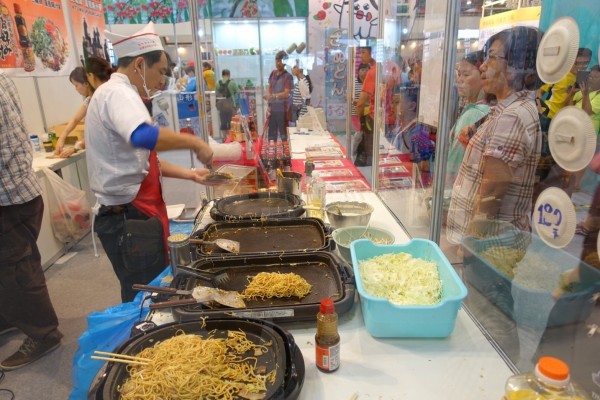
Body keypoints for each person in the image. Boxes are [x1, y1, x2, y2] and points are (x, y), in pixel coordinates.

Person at [96, 23, 214, 302]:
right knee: (148, 295)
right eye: (160, 71)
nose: (163, 81)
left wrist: (190, 174)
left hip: (138, 212)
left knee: (153, 287)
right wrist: (195, 143)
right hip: (129, 218)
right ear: (139, 64)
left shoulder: (125, 95)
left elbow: (146, 161)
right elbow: (144, 136)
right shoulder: (118, 94)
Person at [447, 26, 543, 245]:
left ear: (517, 67)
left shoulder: (513, 116)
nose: (483, 66)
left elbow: (493, 188)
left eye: (491, 58)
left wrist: (474, 240)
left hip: (491, 245)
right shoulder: (505, 110)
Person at [0, 71, 63, 371]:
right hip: (17, 192)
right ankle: (11, 317)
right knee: (12, 269)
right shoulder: (4, 78)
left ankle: (43, 334)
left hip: (8, 198)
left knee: (18, 270)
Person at [446, 51, 492, 188]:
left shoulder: (475, 114)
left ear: (483, 76)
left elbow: (455, 161)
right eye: (459, 74)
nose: (459, 80)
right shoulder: (478, 109)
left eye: (466, 75)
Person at [55, 57, 113, 157]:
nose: (76, 89)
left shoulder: (99, 100)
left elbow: (98, 134)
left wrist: (76, 147)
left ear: (86, 83)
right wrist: (62, 137)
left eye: (76, 85)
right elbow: (75, 119)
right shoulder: (89, 100)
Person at [355, 46, 377, 166]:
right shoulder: (383, 69)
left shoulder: (372, 72)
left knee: (368, 145)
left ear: (371, 54)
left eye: (363, 52)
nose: (361, 56)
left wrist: (360, 121)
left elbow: (361, 102)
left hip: (373, 117)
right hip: (381, 116)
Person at [265, 50, 293, 142]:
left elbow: (286, 93)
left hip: (283, 110)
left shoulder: (288, 76)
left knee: (284, 136)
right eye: (276, 61)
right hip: (272, 109)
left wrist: (274, 96)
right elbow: (269, 88)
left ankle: (285, 155)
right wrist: (268, 99)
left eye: (280, 61)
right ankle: (272, 155)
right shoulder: (273, 73)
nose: (278, 63)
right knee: (271, 137)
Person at [350, 63, 370, 160]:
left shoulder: (370, 83)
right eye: (362, 70)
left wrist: (364, 102)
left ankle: (362, 151)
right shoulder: (354, 83)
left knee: (364, 133)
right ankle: (353, 152)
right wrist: (356, 102)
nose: (364, 73)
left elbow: (371, 99)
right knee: (359, 132)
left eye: (366, 70)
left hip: (367, 112)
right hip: (356, 112)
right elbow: (348, 97)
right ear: (358, 71)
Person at [216, 69, 238, 138]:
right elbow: (237, 91)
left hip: (221, 106)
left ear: (222, 75)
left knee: (223, 122)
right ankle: (231, 138)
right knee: (231, 122)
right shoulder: (232, 83)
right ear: (229, 75)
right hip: (231, 105)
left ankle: (224, 138)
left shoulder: (217, 83)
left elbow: (216, 93)